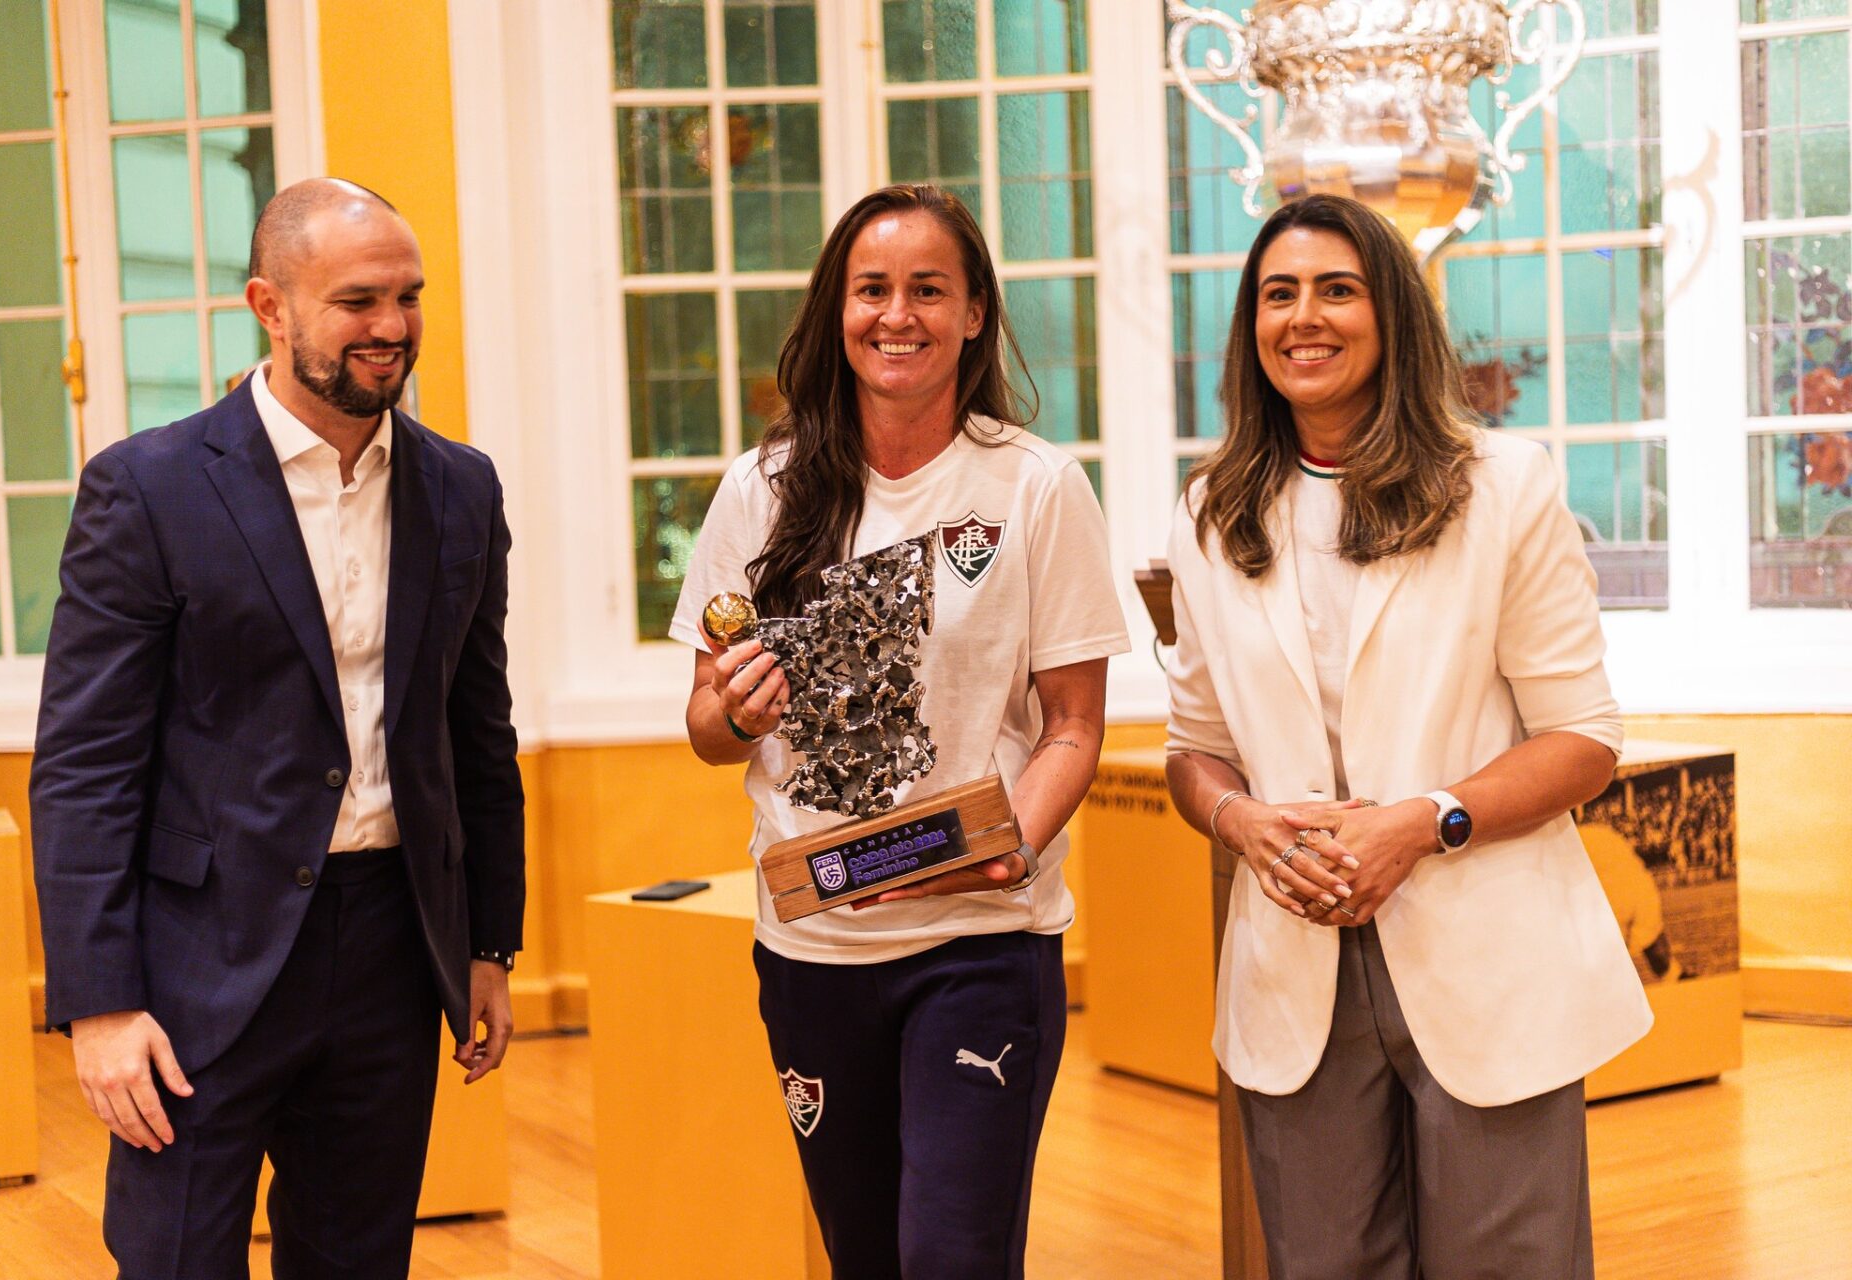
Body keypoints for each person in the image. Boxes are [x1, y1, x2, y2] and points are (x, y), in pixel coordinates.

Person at [30, 178, 525, 1280]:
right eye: (358, 299)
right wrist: (100, 1002)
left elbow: (474, 731)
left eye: (409, 296)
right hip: (194, 966)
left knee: (359, 1260)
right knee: (174, 1261)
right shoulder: (146, 488)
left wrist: (490, 940)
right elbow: (84, 767)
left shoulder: (461, 487)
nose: (392, 326)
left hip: (395, 949)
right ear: (271, 303)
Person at [1162, 194, 1651, 1279]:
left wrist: (1426, 820)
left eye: (1338, 288)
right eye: (1278, 293)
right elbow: (1192, 748)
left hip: (1487, 952)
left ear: (1391, 314)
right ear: (1251, 326)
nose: (1306, 317)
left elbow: (1584, 737)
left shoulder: (1502, 486)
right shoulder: (1210, 512)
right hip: (1297, 966)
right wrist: (1240, 819)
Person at [672, 183, 1129, 1279]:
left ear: (975, 313)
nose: (898, 314)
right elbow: (702, 724)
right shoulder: (760, 489)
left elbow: (1072, 725)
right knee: (866, 1258)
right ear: (838, 309)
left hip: (980, 942)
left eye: (930, 289)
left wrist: (998, 844)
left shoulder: (1036, 487)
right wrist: (734, 709)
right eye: (872, 289)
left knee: (951, 1257)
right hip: (812, 949)